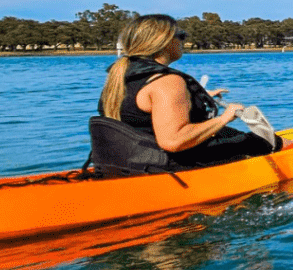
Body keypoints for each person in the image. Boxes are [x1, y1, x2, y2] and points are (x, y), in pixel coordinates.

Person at [97, 14, 275, 168]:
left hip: (130, 164)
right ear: (165, 42)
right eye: (181, 35)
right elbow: (173, 141)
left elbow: (141, 114)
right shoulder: (166, 81)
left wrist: (195, 98)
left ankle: (291, 142)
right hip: (169, 167)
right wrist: (224, 118)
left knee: (232, 136)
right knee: (243, 139)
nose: (184, 41)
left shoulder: (119, 78)